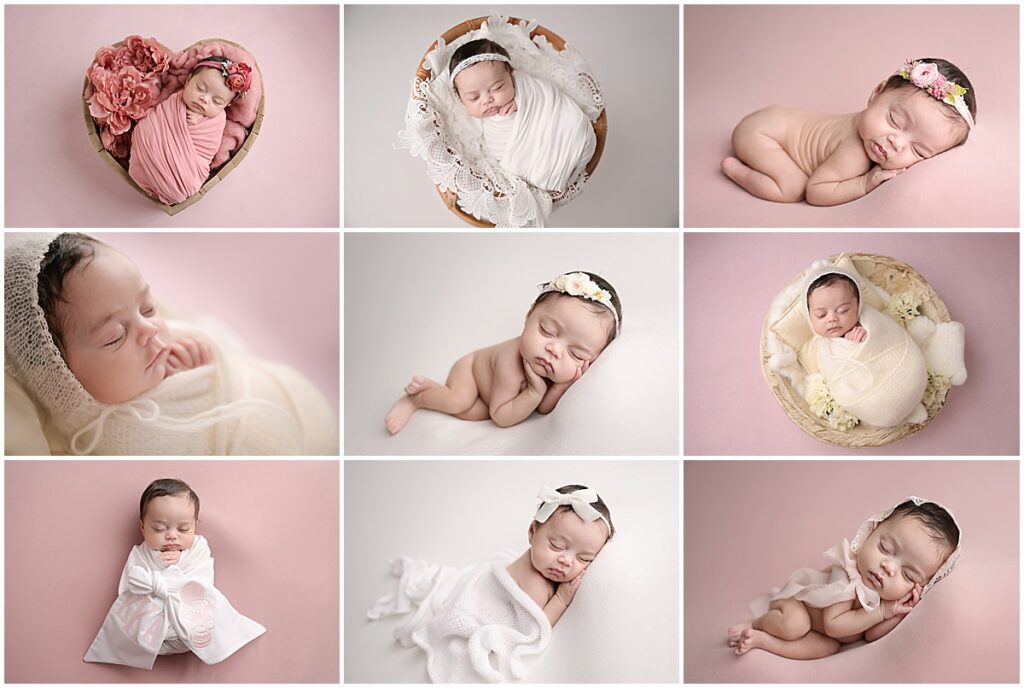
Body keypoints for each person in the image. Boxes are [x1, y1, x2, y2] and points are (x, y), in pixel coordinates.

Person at [385, 271, 621, 434]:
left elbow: (543, 408)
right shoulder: (511, 361)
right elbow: (499, 416)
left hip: (493, 398)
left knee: (474, 414)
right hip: (471, 372)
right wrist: (534, 391)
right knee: (459, 401)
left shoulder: (554, 367)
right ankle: (416, 399)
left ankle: (433, 389)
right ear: (530, 315)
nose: (554, 350)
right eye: (546, 330)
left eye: (576, 354)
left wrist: (560, 386)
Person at [722, 58, 976, 205]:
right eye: (894, 120)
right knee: (792, 187)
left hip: (778, 117)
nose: (896, 143)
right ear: (877, 93)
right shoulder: (854, 151)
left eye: (918, 150)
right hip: (760, 134)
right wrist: (865, 182)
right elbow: (816, 192)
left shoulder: (869, 127)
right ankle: (735, 169)